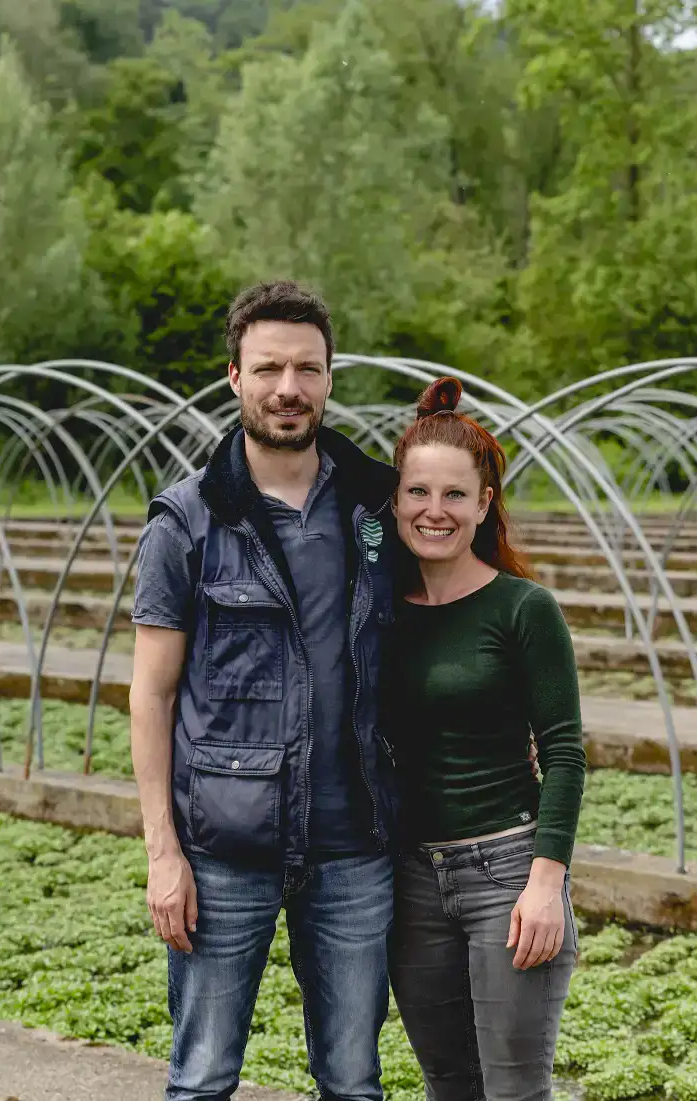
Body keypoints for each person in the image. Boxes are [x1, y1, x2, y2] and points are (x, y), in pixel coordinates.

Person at [129, 280, 399, 1101]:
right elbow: (151, 694)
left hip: (354, 845)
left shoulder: (375, 505)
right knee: (203, 1075)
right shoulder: (186, 521)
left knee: (353, 1079)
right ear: (234, 377)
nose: (289, 387)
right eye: (270, 367)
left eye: (307, 369)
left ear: (328, 377)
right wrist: (163, 853)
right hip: (224, 851)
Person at [385, 376, 586, 1101]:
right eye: (416, 492)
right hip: (408, 879)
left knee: (512, 1090)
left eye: (454, 495)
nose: (433, 511)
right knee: (448, 1085)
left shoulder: (522, 608)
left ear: (483, 503)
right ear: (394, 499)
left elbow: (563, 751)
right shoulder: (374, 607)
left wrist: (545, 884)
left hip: (505, 870)